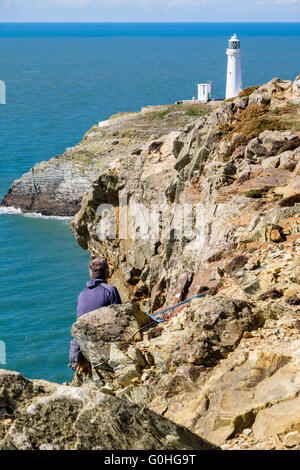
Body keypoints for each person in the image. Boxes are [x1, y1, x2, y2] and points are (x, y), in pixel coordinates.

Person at [69, 258, 122, 372]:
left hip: (83, 349)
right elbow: (120, 319)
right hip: (102, 346)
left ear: (90, 274)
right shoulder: (110, 290)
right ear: (108, 274)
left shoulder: (81, 294)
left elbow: (79, 325)